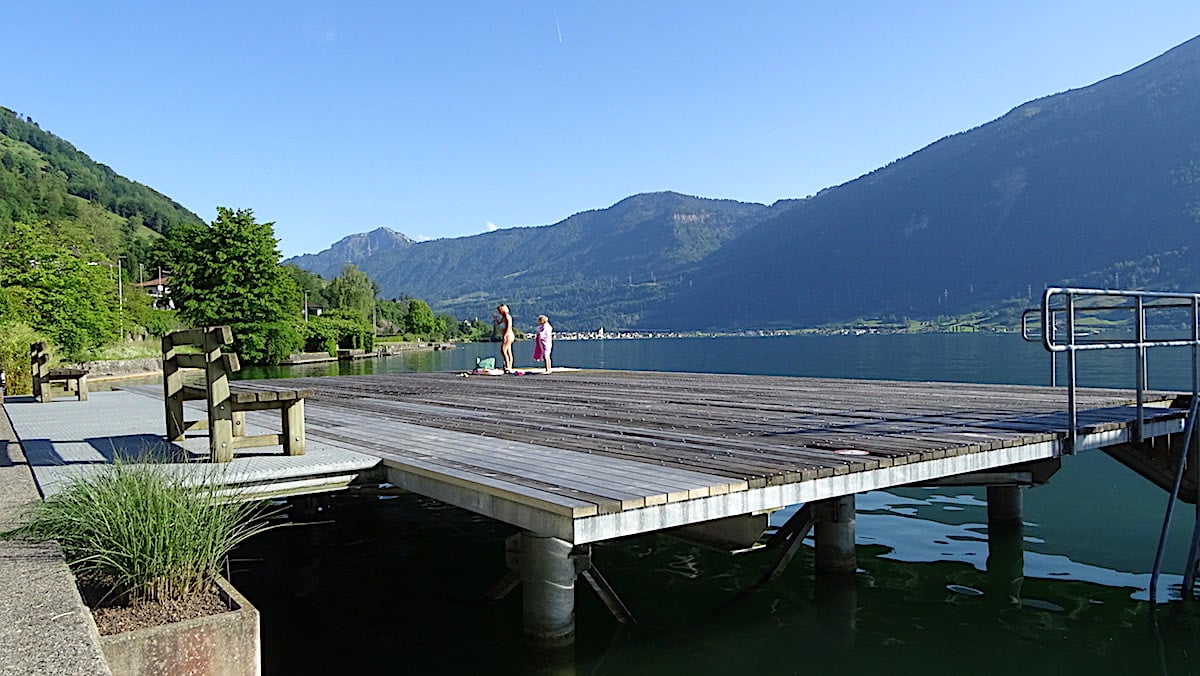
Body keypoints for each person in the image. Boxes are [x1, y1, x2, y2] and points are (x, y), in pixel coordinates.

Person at [494, 303, 515, 372]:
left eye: (499, 310)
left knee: (503, 350)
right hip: (507, 335)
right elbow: (500, 324)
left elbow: (509, 326)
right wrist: (496, 320)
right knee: (508, 351)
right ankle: (509, 366)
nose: (499, 312)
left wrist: (505, 335)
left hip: (508, 335)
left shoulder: (507, 316)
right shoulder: (503, 317)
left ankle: (508, 365)